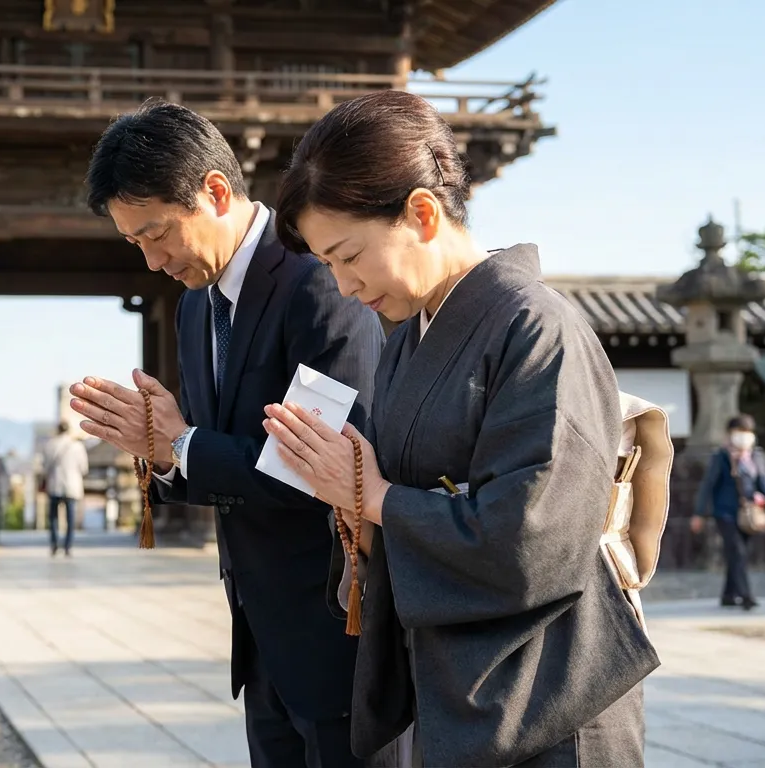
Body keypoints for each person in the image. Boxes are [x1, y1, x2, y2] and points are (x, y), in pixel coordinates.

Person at [262, 90, 659, 767]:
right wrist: (354, 508)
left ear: (421, 213)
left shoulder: (537, 328)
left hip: (551, 693)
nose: (344, 285)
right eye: (327, 265)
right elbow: (396, 504)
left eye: (349, 255)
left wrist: (377, 499)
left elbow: (535, 539)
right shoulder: (408, 341)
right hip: (460, 690)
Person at [67, 101, 390, 768]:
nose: (154, 262)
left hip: (335, 628)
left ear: (214, 192)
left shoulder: (316, 284)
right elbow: (218, 460)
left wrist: (180, 445)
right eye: (136, 245)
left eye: (157, 234)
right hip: (259, 631)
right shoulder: (195, 305)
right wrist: (161, 456)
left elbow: (320, 472)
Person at [692, 414, 765, 610]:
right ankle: (746, 596)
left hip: (749, 514)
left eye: (747, 432)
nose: (744, 436)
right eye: (739, 432)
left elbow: (763, 481)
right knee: (738, 553)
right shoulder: (722, 457)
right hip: (725, 513)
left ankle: (728, 595)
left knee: (738, 555)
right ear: (730, 434)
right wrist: (699, 513)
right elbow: (708, 485)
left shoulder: (755, 456)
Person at [41, 422, 90, 556]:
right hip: (72, 484)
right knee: (70, 517)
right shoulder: (77, 446)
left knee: (53, 518)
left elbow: (45, 466)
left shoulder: (50, 445)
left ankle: (54, 544)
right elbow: (84, 468)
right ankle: (68, 546)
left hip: (54, 483)